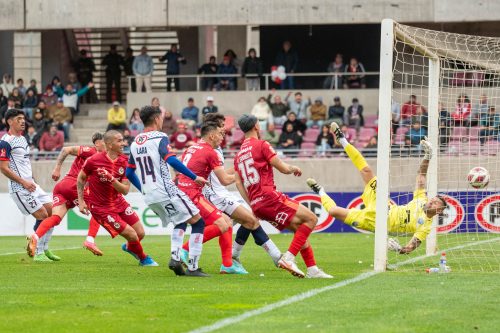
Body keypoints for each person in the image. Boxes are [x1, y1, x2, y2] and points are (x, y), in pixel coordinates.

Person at [307, 122, 447, 254]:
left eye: (435, 203)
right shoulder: (421, 199)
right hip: (382, 204)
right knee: (367, 171)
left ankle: (320, 191)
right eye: (433, 199)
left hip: (374, 222)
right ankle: (343, 140)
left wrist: (401, 249)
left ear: (439, 211)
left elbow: (413, 245)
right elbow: (421, 175)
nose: (431, 201)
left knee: (333, 211)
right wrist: (427, 157)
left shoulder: (426, 226)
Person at [234, 114, 331, 278]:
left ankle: (312, 269)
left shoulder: (238, 155)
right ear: (256, 127)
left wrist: (252, 204)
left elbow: (238, 183)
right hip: (269, 197)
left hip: (257, 204)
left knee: (300, 230)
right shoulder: (262, 145)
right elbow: (284, 168)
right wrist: (294, 168)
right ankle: (288, 258)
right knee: (312, 219)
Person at [126, 105, 209, 276]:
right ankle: (193, 267)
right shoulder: (160, 137)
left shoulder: (135, 143)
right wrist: (194, 177)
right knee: (199, 222)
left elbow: (129, 172)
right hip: (166, 190)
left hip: (150, 196)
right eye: (161, 117)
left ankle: (175, 258)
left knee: (181, 221)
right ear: (157, 119)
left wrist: (144, 189)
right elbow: (170, 160)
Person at [198, 113, 282, 268]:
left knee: (243, 220)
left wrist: (240, 168)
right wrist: (243, 174)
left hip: (219, 193)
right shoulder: (211, 148)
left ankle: (230, 260)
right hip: (216, 195)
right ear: (214, 128)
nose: (224, 129)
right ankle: (277, 257)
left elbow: (222, 174)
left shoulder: (213, 145)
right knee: (249, 219)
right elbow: (223, 179)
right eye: (222, 126)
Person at [77, 130, 158, 266]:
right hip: (101, 208)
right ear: (109, 144)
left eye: (123, 140)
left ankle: (129, 247)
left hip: (119, 202)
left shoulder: (125, 161)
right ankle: (144, 259)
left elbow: (125, 190)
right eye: (119, 141)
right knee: (132, 235)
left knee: (140, 233)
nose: (123, 143)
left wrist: (111, 179)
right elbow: (80, 179)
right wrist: (81, 201)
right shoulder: (94, 161)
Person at [26, 133, 112, 257]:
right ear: (98, 143)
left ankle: (35, 237)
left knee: (55, 218)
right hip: (74, 186)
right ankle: (90, 240)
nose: (108, 145)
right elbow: (66, 149)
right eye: (106, 142)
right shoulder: (91, 151)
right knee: (99, 209)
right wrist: (57, 168)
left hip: (61, 186)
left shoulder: (103, 159)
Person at [177, 122, 247, 274]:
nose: (222, 138)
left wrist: (237, 169)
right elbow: (224, 180)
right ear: (212, 135)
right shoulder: (210, 152)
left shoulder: (192, 148)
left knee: (226, 222)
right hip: (192, 194)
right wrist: (243, 173)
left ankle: (227, 265)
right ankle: (183, 250)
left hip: (184, 192)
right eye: (220, 134)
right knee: (223, 224)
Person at [0, 109, 57, 262]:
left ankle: (44, 248)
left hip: (31, 184)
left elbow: (24, 163)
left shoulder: (23, 139)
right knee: (43, 215)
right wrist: (24, 182)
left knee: (53, 211)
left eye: (23, 119)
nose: (23, 121)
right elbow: (3, 168)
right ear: (9, 121)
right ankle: (38, 253)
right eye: (18, 119)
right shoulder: (5, 141)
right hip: (20, 188)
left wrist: (33, 180)